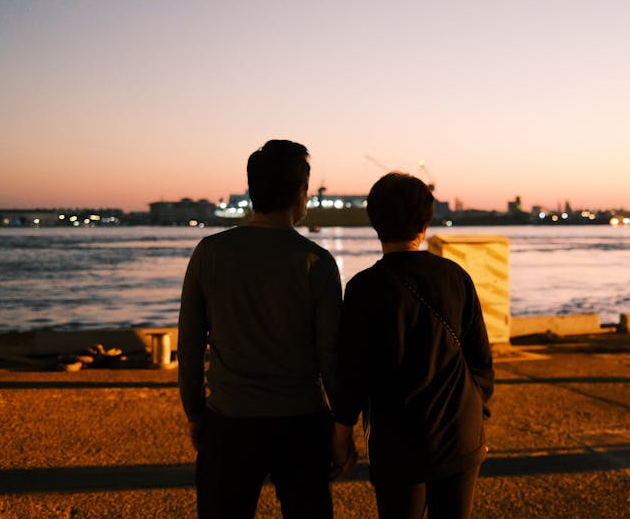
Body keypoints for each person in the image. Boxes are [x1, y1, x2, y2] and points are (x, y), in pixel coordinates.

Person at [178, 139, 348, 518]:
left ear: (252, 190)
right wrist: (342, 425)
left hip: (229, 419)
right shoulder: (317, 261)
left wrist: (195, 411)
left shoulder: (210, 253)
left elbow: (189, 343)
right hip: (302, 421)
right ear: (301, 193)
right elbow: (330, 354)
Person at [331, 173, 494, 519]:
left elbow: (352, 372)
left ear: (374, 221)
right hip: (460, 435)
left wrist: (342, 433)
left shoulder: (363, 288)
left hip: (397, 440)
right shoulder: (456, 277)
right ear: (425, 221)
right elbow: (481, 360)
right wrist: (476, 413)